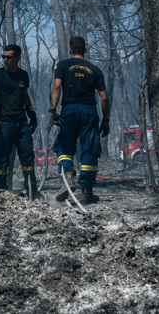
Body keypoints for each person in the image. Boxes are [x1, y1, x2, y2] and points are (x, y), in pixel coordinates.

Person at [49, 35, 110, 205]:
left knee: (64, 146)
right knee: (89, 148)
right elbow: (104, 98)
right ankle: (86, 191)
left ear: (70, 50)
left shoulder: (62, 65)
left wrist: (53, 111)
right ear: (85, 50)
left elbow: (57, 87)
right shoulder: (95, 70)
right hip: (89, 111)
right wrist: (106, 120)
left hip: (69, 110)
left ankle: (68, 177)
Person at [0, 44, 40, 199]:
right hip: (4, 124)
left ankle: (32, 190)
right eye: (3, 57)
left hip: (21, 124)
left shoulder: (23, 75)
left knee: (27, 158)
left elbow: (25, 95)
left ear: (18, 58)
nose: (5, 59)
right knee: (2, 159)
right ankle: (2, 190)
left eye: (9, 57)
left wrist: (31, 113)